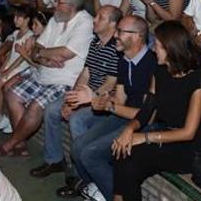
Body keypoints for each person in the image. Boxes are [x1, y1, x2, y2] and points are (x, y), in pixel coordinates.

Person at [57, 15, 158, 200]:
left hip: (143, 124)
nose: (115, 36)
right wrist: (95, 99)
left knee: (89, 153)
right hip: (123, 115)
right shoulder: (124, 60)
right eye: (116, 30)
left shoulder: (151, 65)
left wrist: (104, 104)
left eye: (121, 32)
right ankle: (95, 187)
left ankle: (113, 196)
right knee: (77, 147)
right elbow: (120, 100)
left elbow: (147, 116)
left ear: (137, 36)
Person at [111, 21, 201, 201]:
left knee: (129, 161)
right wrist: (129, 129)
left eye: (157, 46)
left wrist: (145, 137)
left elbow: (188, 133)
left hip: (188, 149)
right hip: (164, 137)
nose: (153, 50)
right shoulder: (160, 72)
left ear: (170, 49)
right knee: (122, 150)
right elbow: (147, 109)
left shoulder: (197, 80)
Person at [29, 5, 120, 184]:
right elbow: (85, 73)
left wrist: (82, 101)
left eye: (100, 17)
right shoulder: (95, 43)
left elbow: (111, 83)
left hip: (103, 99)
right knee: (51, 110)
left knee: (77, 119)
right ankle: (54, 160)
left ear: (113, 24)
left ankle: (82, 175)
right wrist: (72, 99)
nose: (95, 19)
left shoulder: (116, 49)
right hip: (85, 94)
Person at [1, 0, 94, 157]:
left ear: (71, 7)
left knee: (36, 107)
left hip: (65, 79)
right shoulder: (56, 19)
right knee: (12, 95)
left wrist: (41, 54)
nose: (54, 4)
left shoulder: (85, 22)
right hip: (43, 71)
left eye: (59, 2)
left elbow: (66, 53)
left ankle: (11, 143)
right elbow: (37, 47)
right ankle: (21, 144)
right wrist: (44, 57)